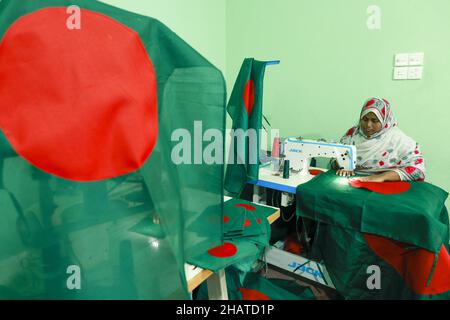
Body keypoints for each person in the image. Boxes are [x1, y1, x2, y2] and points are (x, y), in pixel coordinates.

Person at [335, 97, 425, 182]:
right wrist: (344, 165)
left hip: (387, 185)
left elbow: (418, 171)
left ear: (385, 121)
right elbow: (335, 158)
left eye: (374, 121)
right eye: (365, 119)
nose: (368, 125)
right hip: (354, 181)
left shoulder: (399, 141)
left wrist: (381, 177)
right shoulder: (352, 135)